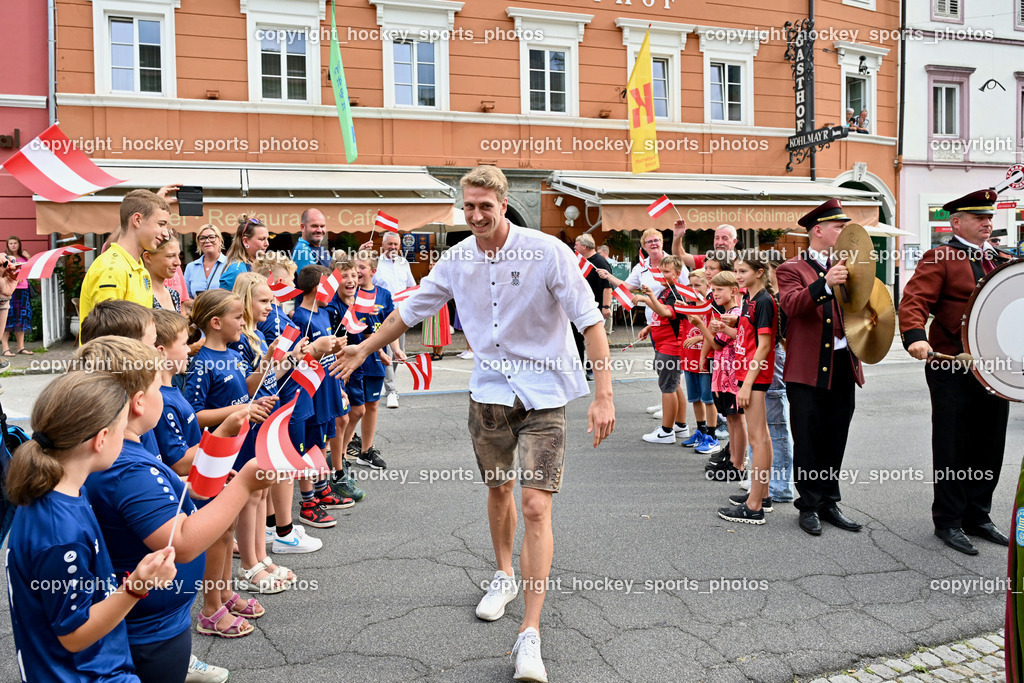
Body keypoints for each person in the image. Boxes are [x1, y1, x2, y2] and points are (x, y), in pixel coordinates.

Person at [331, 165, 615, 683]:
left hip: (545, 395)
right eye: (470, 206)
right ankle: (504, 574)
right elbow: (412, 309)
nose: (477, 214)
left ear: (504, 205)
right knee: (499, 490)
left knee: (535, 504)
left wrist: (604, 396)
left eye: (486, 205)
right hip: (488, 395)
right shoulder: (457, 258)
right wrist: (365, 347)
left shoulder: (546, 251)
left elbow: (590, 321)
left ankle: (529, 634)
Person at [76, 336, 272, 683]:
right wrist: (244, 484)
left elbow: (169, 496)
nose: (164, 394)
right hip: (149, 632)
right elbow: (180, 542)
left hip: (153, 621)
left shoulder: (119, 453)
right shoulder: (127, 469)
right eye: (157, 387)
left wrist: (212, 454)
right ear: (138, 403)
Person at [5, 371, 178, 682]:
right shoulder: (60, 534)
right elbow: (75, 635)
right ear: (101, 439)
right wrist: (137, 586)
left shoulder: (60, 489)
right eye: (122, 427)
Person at [900, 189, 1011, 555]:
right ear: (956, 222)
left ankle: (978, 515)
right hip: (953, 364)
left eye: (989, 217)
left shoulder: (1000, 258)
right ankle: (948, 520)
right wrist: (915, 336)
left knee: (990, 443)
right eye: (979, 217)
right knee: (953, 444)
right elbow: (915, 300)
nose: (987, 222)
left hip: (995, 369)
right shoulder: (940, 257)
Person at [776, 199, 865, 536]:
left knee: (835, 435)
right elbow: (792, 305)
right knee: (809, 438)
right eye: (839, 227)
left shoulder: (852, 265)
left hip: (843, 363)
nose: (844, 232)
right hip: (809, 369)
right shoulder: (791, 268)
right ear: (818, 231)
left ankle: (829, 501)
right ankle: (808, 505)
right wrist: (826, 283)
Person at [598, 228, 688, 430]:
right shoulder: (642, 267)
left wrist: (648, 299)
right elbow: (627, 287)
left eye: (657, 240)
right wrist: (609, 277)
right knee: (665, 373)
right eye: (650, 241)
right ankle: (670, 406)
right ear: (644, 246)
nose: (654, 244)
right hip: (655, 326)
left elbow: (686, 293)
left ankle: (671, 415)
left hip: (672, 326)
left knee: (672, 375)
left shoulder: (674, 264)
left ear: (662, 243)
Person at [718, 251, 777, 524]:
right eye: (737, 271)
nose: (738, 276)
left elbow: (764, 346)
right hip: (747, 372)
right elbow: (746, 337)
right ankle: (762, 494)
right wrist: (731, 323)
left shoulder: (764, 300)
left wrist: (747, 385)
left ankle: (754, 507)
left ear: (759, 273)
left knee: (757, 439)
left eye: (743, 271)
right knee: (762, 436)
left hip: (754, 375)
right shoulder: (750, 300)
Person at [80, 190, 170, 323]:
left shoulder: (140, 269)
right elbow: (109, 335)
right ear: (137, 220)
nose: (166, 234)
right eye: (161, 224)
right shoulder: (112, 268)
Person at [691, 271, 747, 482]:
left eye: (719, 289)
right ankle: (732, 459)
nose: (714, 293)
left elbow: (716, 344)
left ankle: (738, 464)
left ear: (734, 290)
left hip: (733, 376)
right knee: (731, 419)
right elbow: (717, 344)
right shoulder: (727, 312)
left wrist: (700, 326)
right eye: (713, 289)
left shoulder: (734, 313)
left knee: (736, 419)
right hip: (724, 374)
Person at [632, 256, 687, 445]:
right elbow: (662, 317)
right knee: (673, 385)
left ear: (678, 274)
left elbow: (667, 312)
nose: (661, 275)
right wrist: (649, 327)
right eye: (659, 271)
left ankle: (666, 431)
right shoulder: (666, 291)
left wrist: (647, 299)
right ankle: (680, 425)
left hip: (671, 347)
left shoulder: (676, 293)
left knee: (668, 388)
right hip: (665, 345)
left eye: (666, 272)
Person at [369, 230, 416, 408]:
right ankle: (391, 391)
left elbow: (411, 285)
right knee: (387, 352)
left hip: (401, 314)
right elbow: (369, 285)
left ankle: (389, 384)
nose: (393, 247)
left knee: (399, 352)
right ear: (383, 245)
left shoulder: (404, 263)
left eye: (396, 244)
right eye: (390, 244)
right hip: (382, 314)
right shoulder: (377, 263)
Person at [678, 269, 720, 454]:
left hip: (707, 359)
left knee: (708, 399)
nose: (693, 289)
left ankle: (712, 434)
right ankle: (701, 430)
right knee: (695, 398)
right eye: (690, 285)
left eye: (697, 285)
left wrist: (699, 338)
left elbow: (717, 336)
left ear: (707, 286)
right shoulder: (688, 305)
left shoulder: (712, 307)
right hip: (690, 359)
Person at [573, 233, 612, 381]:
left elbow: (607, 287)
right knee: (576, 340)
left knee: (592, 340)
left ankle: (591, 370)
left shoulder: (599, 262)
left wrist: (606, 306)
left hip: (594, 308)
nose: (574, 247)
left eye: (576, 245)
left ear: (584, 246)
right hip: (578, 308)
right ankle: (578, 369)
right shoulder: (580, 261)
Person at [219, 216, 268, 291]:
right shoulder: (237, 269)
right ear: (245, 241)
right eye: (262, 239)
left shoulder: (257, 265)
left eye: (267, 239)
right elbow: (223, 300)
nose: (267, 243)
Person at [2, 236, 32, 357]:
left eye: (15, 243)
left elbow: (31, 269)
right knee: (6, 318)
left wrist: (29, 257)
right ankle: (5, 349)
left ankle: (21, 347)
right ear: (7, 245)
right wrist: (13, 277)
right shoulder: (4, 257)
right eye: (11, 243)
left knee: (21, 318)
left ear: (19, 244)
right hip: (8, 291)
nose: (13, 245)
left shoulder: (24, 257)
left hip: (22, 290)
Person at [671, 221, 739, 272]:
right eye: (717, 238)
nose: (720, 242)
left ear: (734, 242)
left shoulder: (739, 264)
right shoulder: (706, 260)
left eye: (725, 238)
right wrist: (677, 237)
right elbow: (680, 256)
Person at [421, 258, 452, 362]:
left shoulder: (443, 277)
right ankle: (434, 351)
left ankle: (440, 351)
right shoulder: (427, 278)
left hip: (440, 305)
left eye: (434, 264)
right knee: (432, 329)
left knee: (440, 328)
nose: (432, 266)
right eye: (430, 264)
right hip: (429, 304)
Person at [183, 225, 227, 298]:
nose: (207, 241)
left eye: (212, 237)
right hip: (198, 309)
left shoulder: (230, 264)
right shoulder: (191, 267)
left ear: (220, 240)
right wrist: (199, 304)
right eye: (202, 238)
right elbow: (185, 298)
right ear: (198, 242)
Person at [144, 232, 183, 313]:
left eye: (178, 256)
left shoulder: (174, 294)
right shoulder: (140, 295)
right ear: (147, 257)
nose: (178, 262)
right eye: (170, 256)